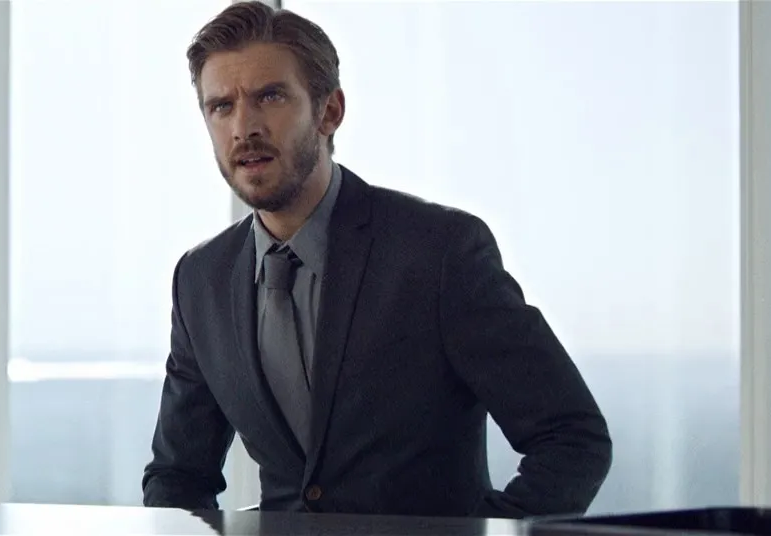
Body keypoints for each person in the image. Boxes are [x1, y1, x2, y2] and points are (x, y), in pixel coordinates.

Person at [142, 1, 612, 519]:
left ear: (329, 111)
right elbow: (177, 477)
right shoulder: (201, 279)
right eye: (221, 106)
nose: (243, 127)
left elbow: (572, 438)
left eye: (269, 96)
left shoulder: (438, 251)